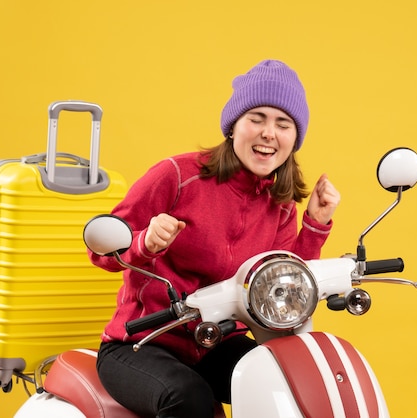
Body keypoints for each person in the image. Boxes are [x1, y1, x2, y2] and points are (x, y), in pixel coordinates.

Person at [90, 59, 341, 418]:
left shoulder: (281, 205)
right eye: (257, 118)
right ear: (233, 126)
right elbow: (100, 250)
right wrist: (144, 243)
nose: (269, 133)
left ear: (293, 139)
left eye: (283, 124)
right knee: (188, 398)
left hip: (215, 342)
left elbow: (281, 288)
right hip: (139, 345)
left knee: (287, 383)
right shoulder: (177, 176)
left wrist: (314, 225)